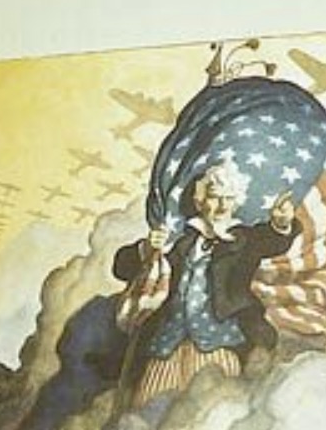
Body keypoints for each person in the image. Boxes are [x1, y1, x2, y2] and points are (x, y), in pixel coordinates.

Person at [113, 159, 299, 409]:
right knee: (146, 410)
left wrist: (280, 224)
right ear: (200, 201)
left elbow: (271, 241)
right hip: (168, 345)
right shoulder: (182, 244)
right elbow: (122, 268)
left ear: (236, 202)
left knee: (210, 413)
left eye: (228, 198)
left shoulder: (244, 240)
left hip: (221, 345)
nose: (222, 205)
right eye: (214, 197)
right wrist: (147, 249)